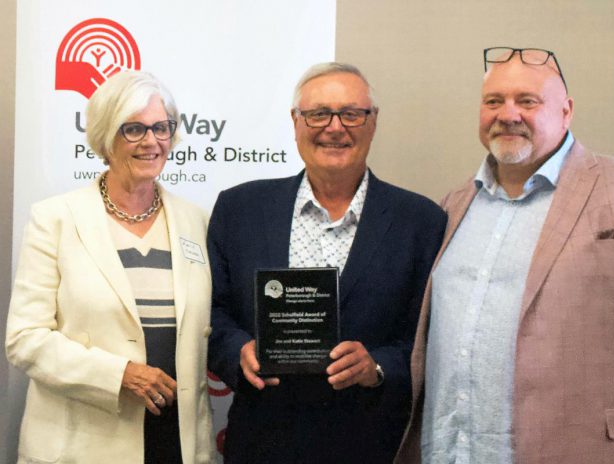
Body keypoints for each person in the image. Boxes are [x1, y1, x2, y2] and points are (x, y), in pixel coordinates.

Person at [396, 47, 614, 463]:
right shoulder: (450, 207)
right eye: (494, 101)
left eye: (527, 101)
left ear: (566, 111)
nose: (508, 114)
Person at [207, 62, 446, 463]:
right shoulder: (240, 209)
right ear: (295, 121)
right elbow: (210, 311)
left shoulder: (420, 221)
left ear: (373, 122)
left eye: (352, 113)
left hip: (372, 444)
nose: (335, 128)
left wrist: (380, 366)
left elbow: (431, 335)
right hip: (261, 441)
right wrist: (238, 351)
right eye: (318, 114)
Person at [6, 71, 215, 463]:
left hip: (177, 441)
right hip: (83, 444)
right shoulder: (55, 219)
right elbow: (25, 339)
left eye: (161, 127)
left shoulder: (197, 222)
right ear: (105, 137)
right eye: (133, 129)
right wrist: (118, 374)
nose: (151, 141)